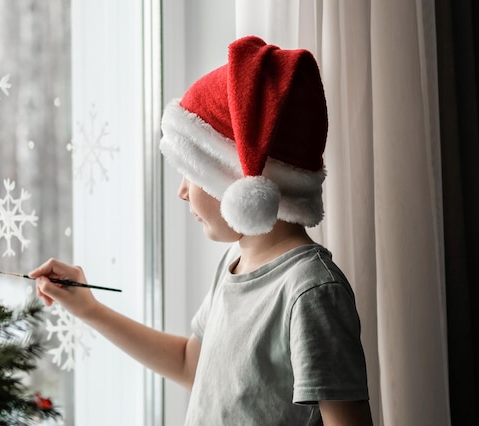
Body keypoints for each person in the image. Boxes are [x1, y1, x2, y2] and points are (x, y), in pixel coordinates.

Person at [30, 35, 372, 425]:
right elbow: (189, 363)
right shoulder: (235, 263)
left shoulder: (311, 292)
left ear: (242, 184)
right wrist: (89, 309)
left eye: (191, 173)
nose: (180, 191)